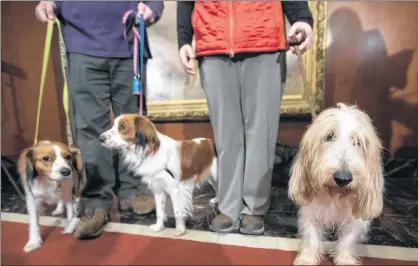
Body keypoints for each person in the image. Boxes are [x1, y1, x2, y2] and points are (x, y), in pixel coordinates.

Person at [177, 2, 313, 235]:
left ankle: (254, 207)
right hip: (213, 43)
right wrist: (184, 38)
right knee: (226, 134)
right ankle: (228, 206)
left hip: (264, 40)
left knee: (262, 131)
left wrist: (301, 18)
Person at [35, 0, 164, 239]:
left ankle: (132, 189)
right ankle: (97, 201)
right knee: (90, 127)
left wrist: (153, 7)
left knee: (134, 125)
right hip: (82, 44)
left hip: (129, 43)